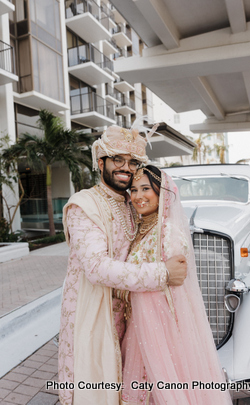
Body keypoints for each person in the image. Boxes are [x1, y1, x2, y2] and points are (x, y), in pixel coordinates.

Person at [58, 125, 187, 405]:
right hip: (93, 313)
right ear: (101, 162)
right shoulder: (83, 205)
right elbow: (96, 268)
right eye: (118, 159)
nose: (125, 167)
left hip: (128, 317)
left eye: (132, 162)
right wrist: (163, 273)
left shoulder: (132, 202)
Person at [120, 165, 233, 405]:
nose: (138, 196)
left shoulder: (168, 231)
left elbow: (176, 281)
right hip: (139, 326)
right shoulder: (140, 229)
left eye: (146, 189)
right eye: (134, 190)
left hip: (162, 327)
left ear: (162, 192)